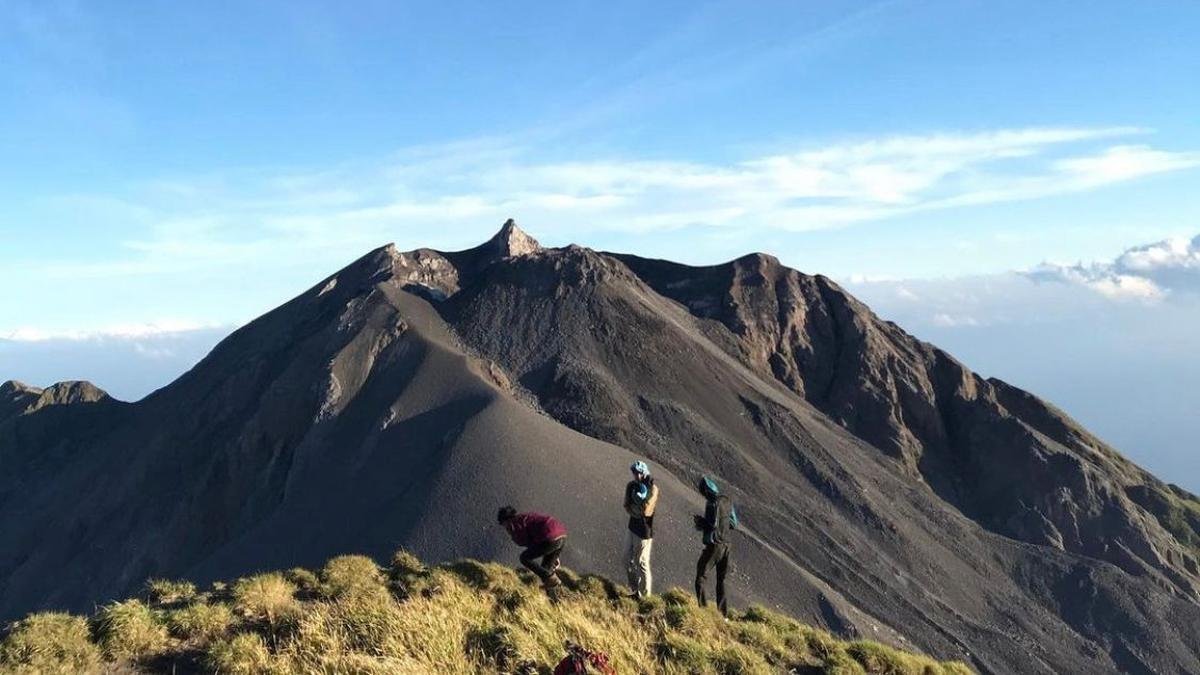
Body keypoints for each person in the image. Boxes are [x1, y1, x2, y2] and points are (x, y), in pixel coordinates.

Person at [692, 476, 738, 616]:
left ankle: (703, 610)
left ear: (706, 491)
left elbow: (712, 525)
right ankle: (723, 614)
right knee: (721, 580)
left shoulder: (712, 504)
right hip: (727, 545)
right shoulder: (727, 501)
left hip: (715, 545)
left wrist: (701, 522)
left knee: (701, 576)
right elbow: (734, 523)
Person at [497, 505, 568, 589]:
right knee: (545, 568)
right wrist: (555, 555)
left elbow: (523, 540)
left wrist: (512, 535)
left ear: (506, 520)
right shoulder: (526, 517)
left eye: (503, 524)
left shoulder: (514, 523)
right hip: (561, 536)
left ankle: (552, 579)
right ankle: (556, 594)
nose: (504, 527)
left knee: (524, 558)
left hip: (549, 538)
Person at [623, 460, 659, 598]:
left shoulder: (652, 488)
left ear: (644, 472)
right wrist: (635, 508)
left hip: (644, 532)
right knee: (626, 559)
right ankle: (635, 590)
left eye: (638, 472)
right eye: (634, 472)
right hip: (632, 527)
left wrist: (635, 508)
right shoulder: (633, 486)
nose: (636, 475)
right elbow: (627, 506)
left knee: (641, 563)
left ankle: (645, 596)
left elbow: (645, 511)